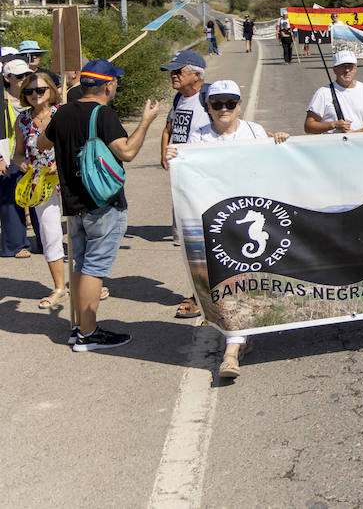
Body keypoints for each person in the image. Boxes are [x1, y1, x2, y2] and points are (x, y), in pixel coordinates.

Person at [167, 79, 289, 379]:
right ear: (207, 106)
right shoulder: (197, 138)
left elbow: (274, 163)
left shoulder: (255, 132)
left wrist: (283, 144)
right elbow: (186, 173)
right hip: (216, 223)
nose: (223, 109)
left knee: (244, 280)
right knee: (227, 283)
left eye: (229, 104)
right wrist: (174, 158)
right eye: (216, 104)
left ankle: (233, 348)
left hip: (249, 220)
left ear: (239, 105)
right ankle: (237, 340)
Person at [39, 59, 160, 351]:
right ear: (108, 85)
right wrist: (146, 121)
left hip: (74, 201)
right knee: (94, 268)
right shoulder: (103, 114)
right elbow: (127, 152)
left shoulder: (64, 112)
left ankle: (81, 327)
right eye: (115, 81)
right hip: (103, 202)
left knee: (81, 263)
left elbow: (43, 143)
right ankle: (88, 334)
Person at [158, 49, 212, 319]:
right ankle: (201, 293)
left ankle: (200, 297)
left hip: (204, 182)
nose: (173, 76)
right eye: (172, 71)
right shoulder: (180, 97)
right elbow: (170, 127)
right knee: (189, 243)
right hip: (181, 181)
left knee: (202, 240)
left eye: (179, 71)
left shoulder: (210, 98)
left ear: (197, 75)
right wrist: (164, 150)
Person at [14, 71, 69, 307]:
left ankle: (88, 282)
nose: (35, 95)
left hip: (70, 179)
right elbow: (18, 152)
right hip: (40, 183)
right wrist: (20, 162)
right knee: (50, 234)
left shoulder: (63, 113)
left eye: (40, 90)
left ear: (51, 91)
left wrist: (62, 161)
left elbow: (81, 144)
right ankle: (59, 287)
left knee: (81, 233)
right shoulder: (22, 120)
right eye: (29, 91)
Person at [304, 49, 363, 134]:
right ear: (335, 69)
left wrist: (357, 133)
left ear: (355, 69)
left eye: (350, 66)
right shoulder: (323, 93)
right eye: (343, 66)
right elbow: (309, 126)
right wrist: (333, 125)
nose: (347, 70)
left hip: (361, 144)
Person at [1, 59, 35, 258]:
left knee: (39, 198)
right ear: (7, 78)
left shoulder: (33, 97)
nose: (25, 80)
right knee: (11, 201)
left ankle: (44, 241)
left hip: (34, 156)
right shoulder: (2, 101)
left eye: (27, 75)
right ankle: (15, 245)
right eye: (20, 76)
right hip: (9, 156)